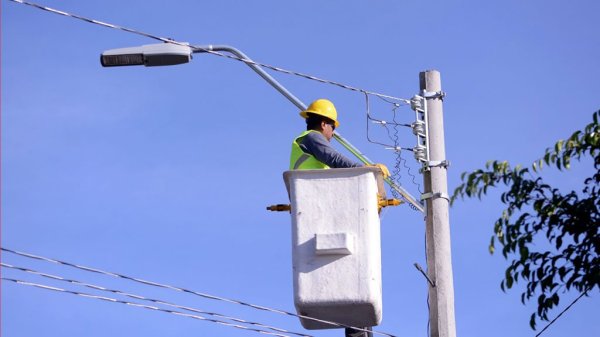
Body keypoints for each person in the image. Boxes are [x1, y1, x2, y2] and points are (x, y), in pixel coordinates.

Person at [289, 99, 390, 176]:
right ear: (323, 124)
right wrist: (365, 169)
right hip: (310, 191)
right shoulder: (313, 137)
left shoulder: (306, 140)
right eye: (333, 127)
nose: (333, 133)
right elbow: (335, 159)